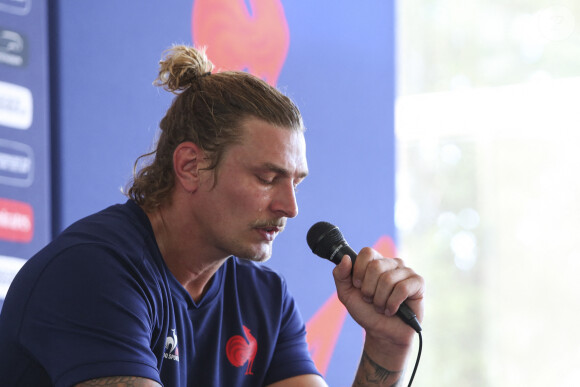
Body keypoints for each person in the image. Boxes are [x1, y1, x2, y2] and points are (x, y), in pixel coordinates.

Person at [0, 45, 424, 387]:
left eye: (295, 182)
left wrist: (386, 348)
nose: (289, 207)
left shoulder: (265, 298)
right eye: (266, 177)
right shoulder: (93, 272)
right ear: (190, 167)